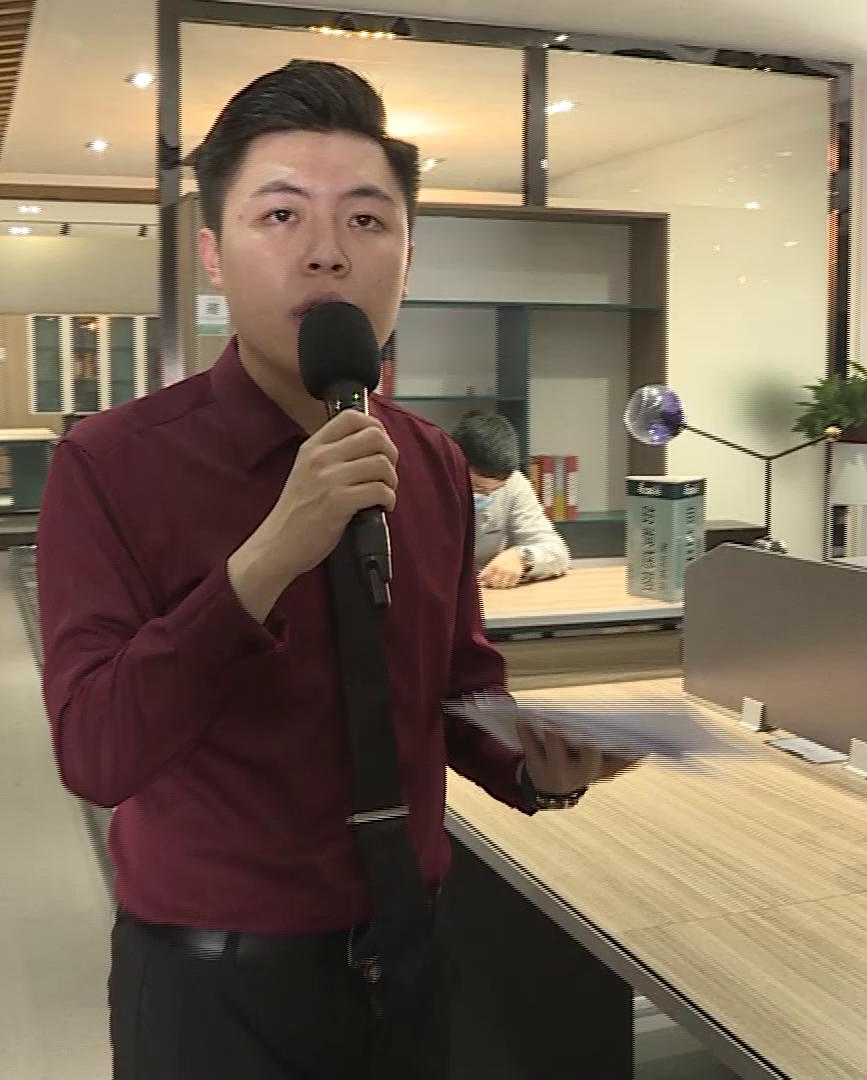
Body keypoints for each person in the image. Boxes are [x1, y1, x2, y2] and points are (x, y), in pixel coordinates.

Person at [35, 61, 629, 1078]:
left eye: (365, 220)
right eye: (281, 215)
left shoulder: (431, 462)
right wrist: (271, 554)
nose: (327, 252)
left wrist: (532, 762)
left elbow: (456, 689)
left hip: (413, 965)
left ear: (408, 254)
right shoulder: (110, 465)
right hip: (215, 996)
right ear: (213, 253)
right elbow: (96, 752)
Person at [451, 413, 571, 589]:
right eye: (478, 488)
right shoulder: (422, 486)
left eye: (496, 490)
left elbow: (557, 552)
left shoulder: (515, 483)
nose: (487, 496)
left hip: (487, 590)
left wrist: (523, 557)